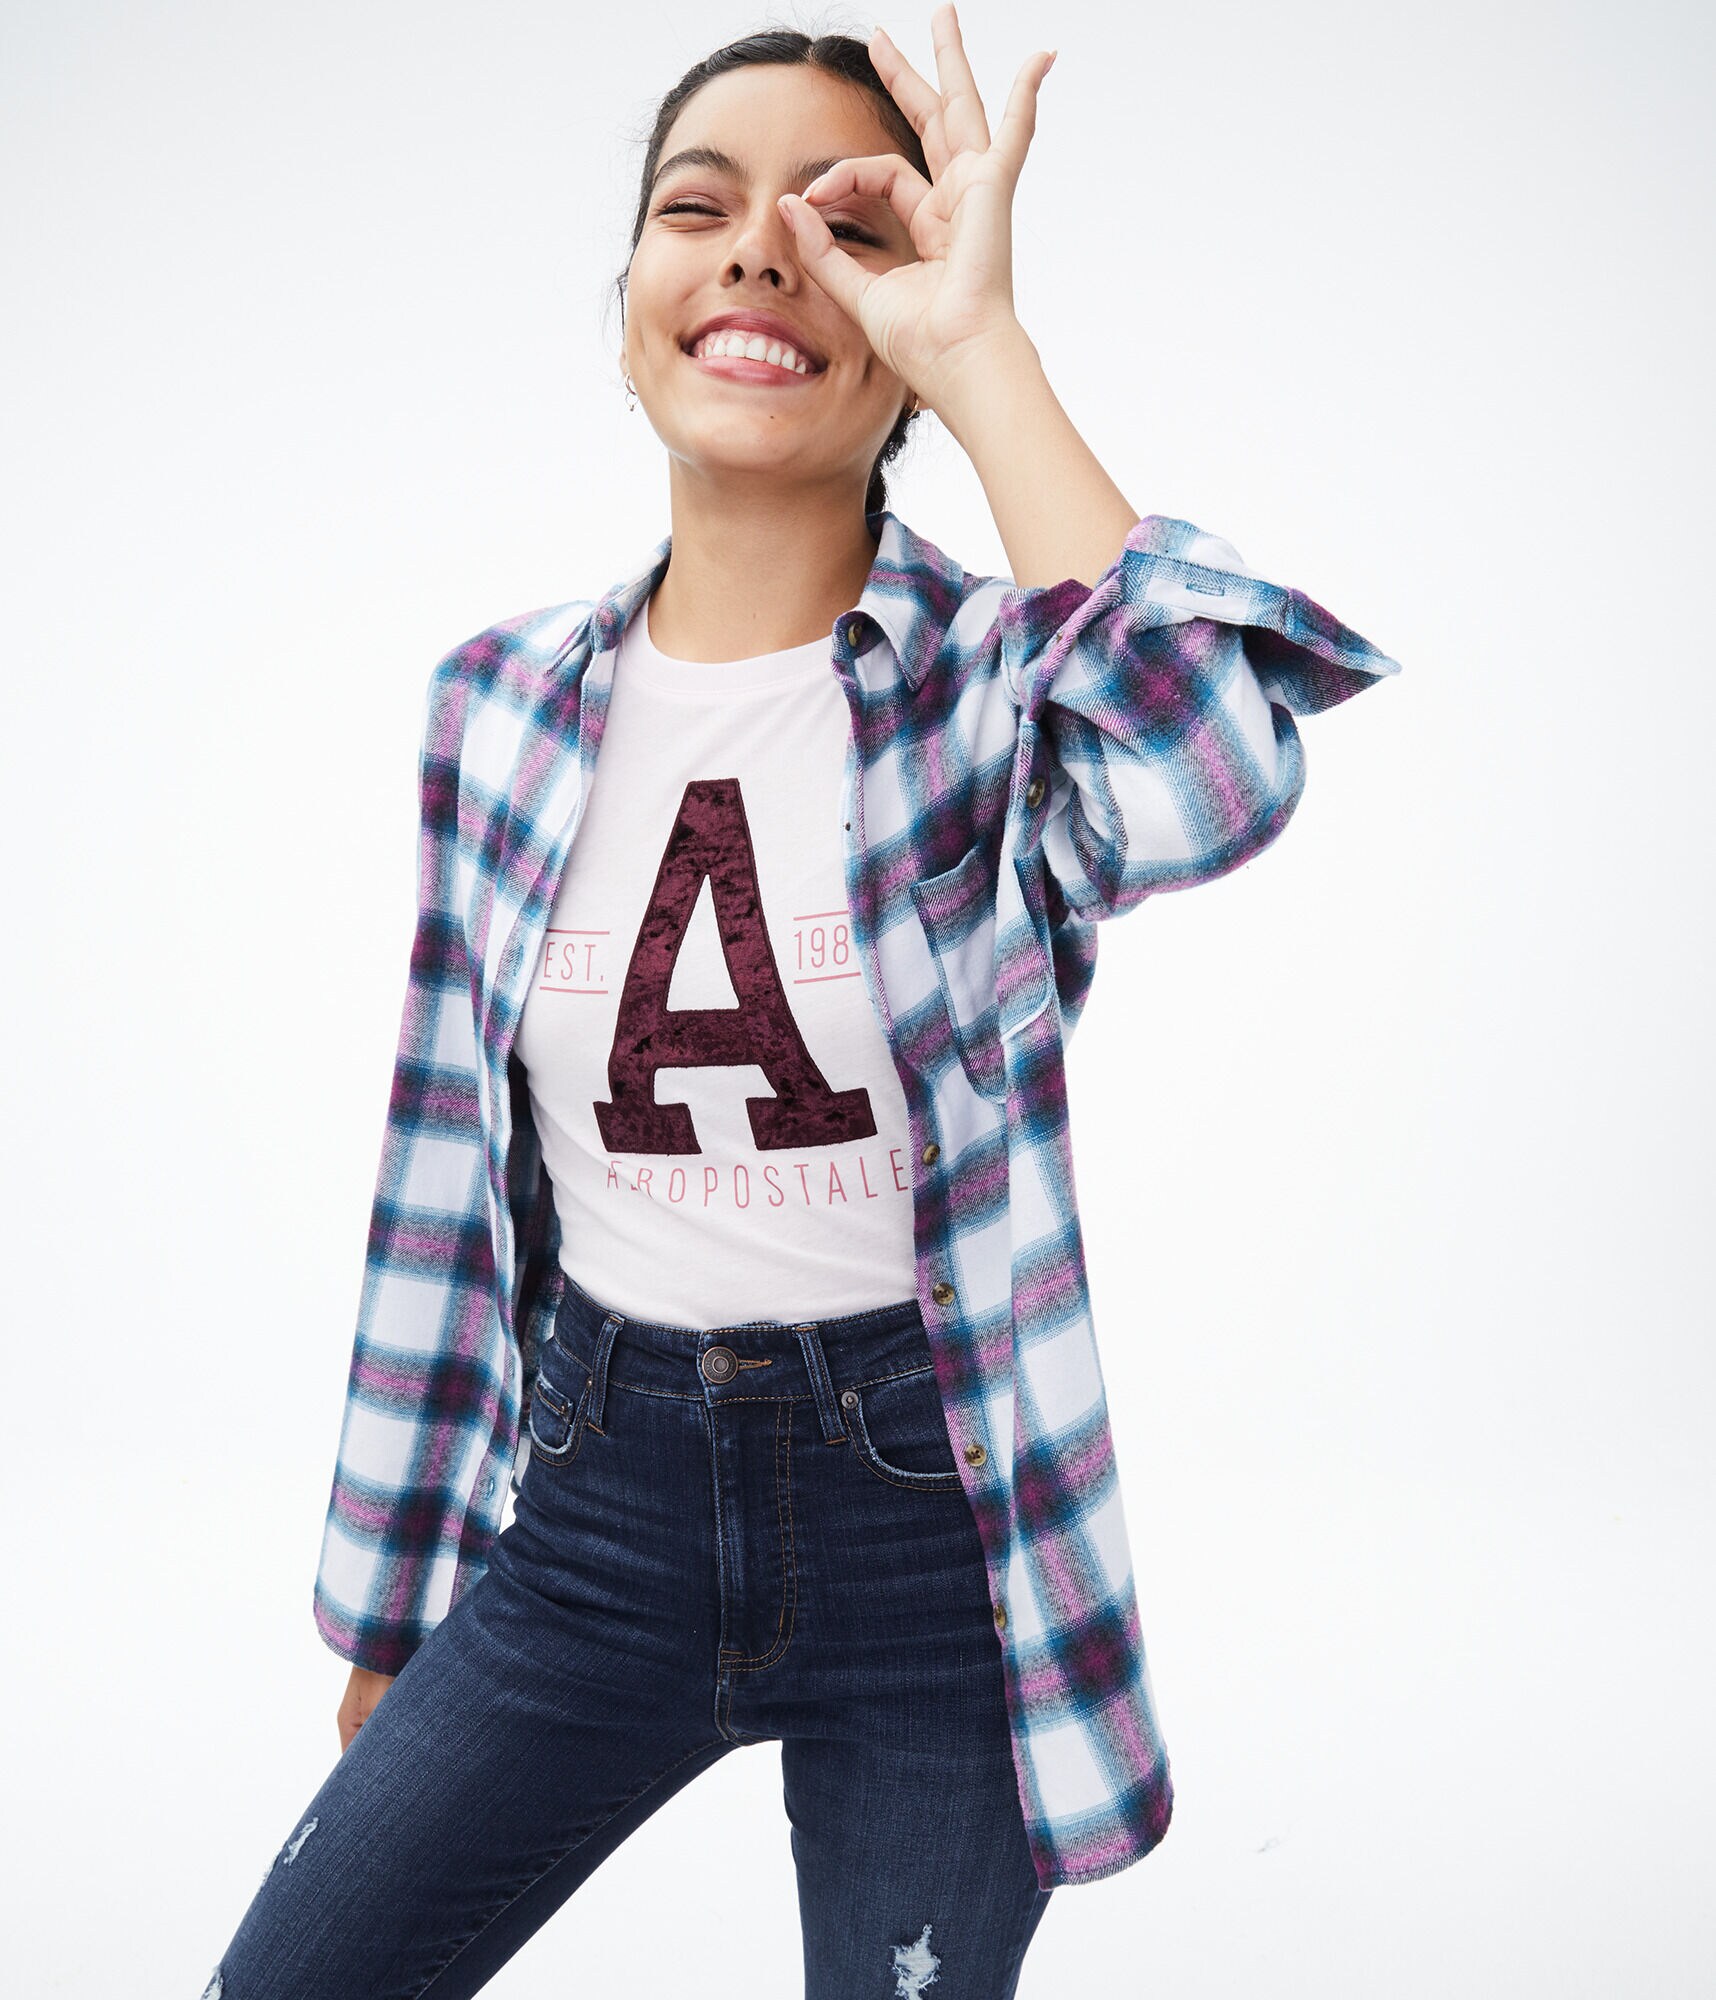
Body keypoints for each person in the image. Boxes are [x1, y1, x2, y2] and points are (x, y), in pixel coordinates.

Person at [199, 10, 1401, 1996]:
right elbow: (438, 1178)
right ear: (627, 308)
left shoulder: (989, 695)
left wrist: (986, 347)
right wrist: (388, 1609)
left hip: (928, 1539)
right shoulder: (495, 705)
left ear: (905, 324)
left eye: (844, 226)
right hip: (590, 1517)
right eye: (700, 206)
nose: (762, 250)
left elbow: (1216, 774)